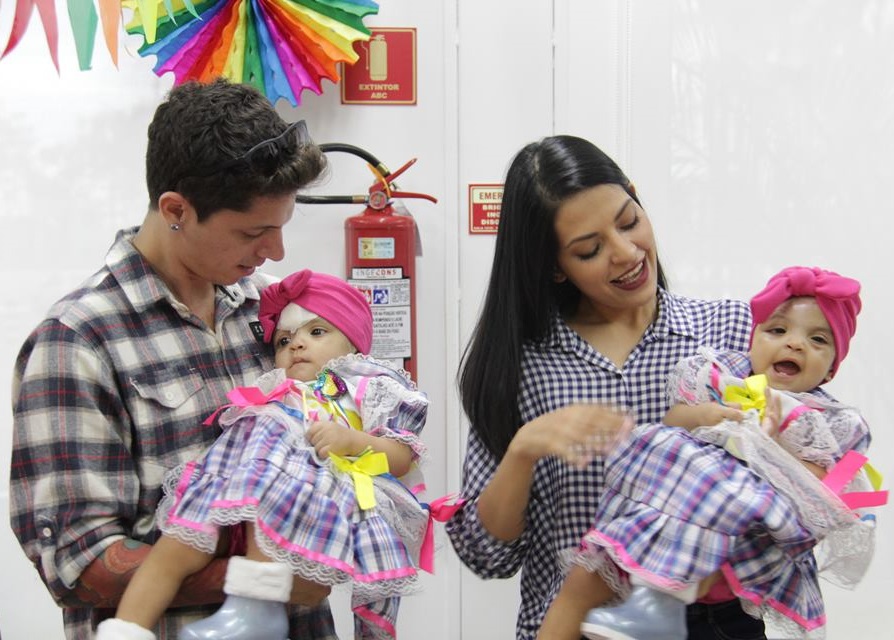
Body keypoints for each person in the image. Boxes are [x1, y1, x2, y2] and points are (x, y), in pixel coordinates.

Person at [9, 78, 335, 639]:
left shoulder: (278, 317)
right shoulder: (79, 340)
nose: (274, 252)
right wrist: (263, 578)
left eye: (282, 229)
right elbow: (79, 561)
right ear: (176, 209)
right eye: (254, 231)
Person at [445, 134, 758, 640]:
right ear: (554, 267)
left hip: (713, 625)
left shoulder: (728, 331)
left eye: (629, 220)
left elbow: (782, 498)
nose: (626, 252)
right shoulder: (524, 365)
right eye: (589, 250)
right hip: (576, 627)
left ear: (636, 195)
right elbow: (487, 554)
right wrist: (524, 450)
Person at [539, 266, 884, 640]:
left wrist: (768, 448)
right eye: (777, 330)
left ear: (831, 369)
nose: (794, 344)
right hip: (670, 528)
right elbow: (672, 420)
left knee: (731, 488)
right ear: (753, 339)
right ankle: (652, 602)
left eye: (818, 340)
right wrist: (703, 416)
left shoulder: (823, 420)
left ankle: (658, 606)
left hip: (733, 578)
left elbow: (823, 491)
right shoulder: (720, 375)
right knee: (662, 444)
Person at [96, 269, 431, 640]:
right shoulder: (274, 389)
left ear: (353, 343)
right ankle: (125, 630)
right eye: (284, 340)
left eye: (316, 332)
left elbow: (402, 457)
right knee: (177, 544)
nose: (296, 345)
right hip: (232, 488)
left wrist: (351, 440)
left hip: (296, 498)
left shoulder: (364, 388)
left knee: (263, 538)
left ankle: (254, 616)